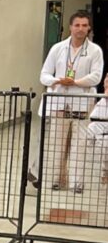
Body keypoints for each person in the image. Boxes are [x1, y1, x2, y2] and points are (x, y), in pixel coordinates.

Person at [38, 10, 104, 192]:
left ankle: (77, 183)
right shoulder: (57, 48)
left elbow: (96, 77)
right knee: (57, 145)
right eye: (77, 25)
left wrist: (75, 82)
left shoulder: (95, 51)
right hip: (60, 104)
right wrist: (57, 81)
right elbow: (44, 75)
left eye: (84, 25)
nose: (80, 29)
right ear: (70, 27)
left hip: (82, 104)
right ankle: (58, 180)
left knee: (79, 145)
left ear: (89, 28)